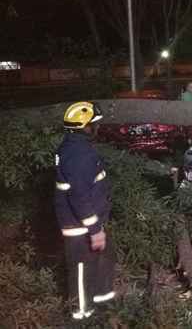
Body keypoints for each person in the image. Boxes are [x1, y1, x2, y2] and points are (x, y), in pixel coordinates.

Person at [55, 101, 116, 321]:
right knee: (82, 274)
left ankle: (103, 311)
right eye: (94, 124)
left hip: (88, 224)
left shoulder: (74, 148)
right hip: (80, 227)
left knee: (102, 264)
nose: (97, 128)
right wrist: (95, 229)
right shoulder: (79, 155)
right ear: (84, 127)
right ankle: (82, 319)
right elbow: (79, 196)